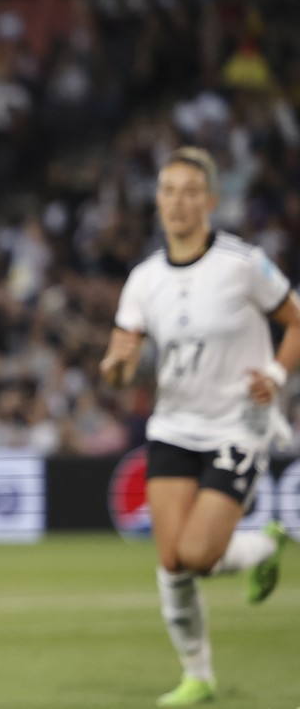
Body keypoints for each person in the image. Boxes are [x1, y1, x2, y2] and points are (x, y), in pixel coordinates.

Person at [101, 146, 298, 708]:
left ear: (211, 201)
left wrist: (278, 375)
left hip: (239, 425)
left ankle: (260, 547)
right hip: (173, 426)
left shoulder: (242, 264)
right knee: (172, 561)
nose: (178, 203)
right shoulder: (143, 280)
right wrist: (115, 369)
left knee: (198, 555)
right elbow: (120, 368)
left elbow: (295, 322)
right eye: (168, 191)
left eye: (190, 192)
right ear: (157, 201)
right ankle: (198, 676)